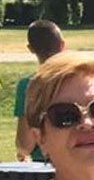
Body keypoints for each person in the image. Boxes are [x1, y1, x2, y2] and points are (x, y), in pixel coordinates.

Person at [11, 18, 65, 162]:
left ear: (31, 48)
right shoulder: (79, 81)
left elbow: (25, 145)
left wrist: (22, 153)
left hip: (45, 168)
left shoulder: (28, 85)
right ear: (62, 45)